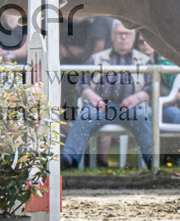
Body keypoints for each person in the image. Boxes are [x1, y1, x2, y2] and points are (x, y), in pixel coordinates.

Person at [63, 20, 154, 169]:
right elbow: (81, 82)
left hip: (131, 108)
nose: (123, 37)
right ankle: (69, 160)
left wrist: (137, 98)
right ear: (112, 36)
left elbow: (151, 87)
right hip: (101, 107)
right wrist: (93, 97)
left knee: (143, 116)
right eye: (119, 34)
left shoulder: (145, 61)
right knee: (85, 116)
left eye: (127, 34)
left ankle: (152, 160)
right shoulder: (96, 59)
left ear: (134, 36)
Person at [135, 35, 180, 126]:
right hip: (142, 107)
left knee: (177, 115)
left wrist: (164, 102)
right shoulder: (132, 66)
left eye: (149, 40)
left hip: (166, 106)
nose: (146, 44)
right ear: (137, 45)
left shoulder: (166, 65)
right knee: (146, 114)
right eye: (141, 42)